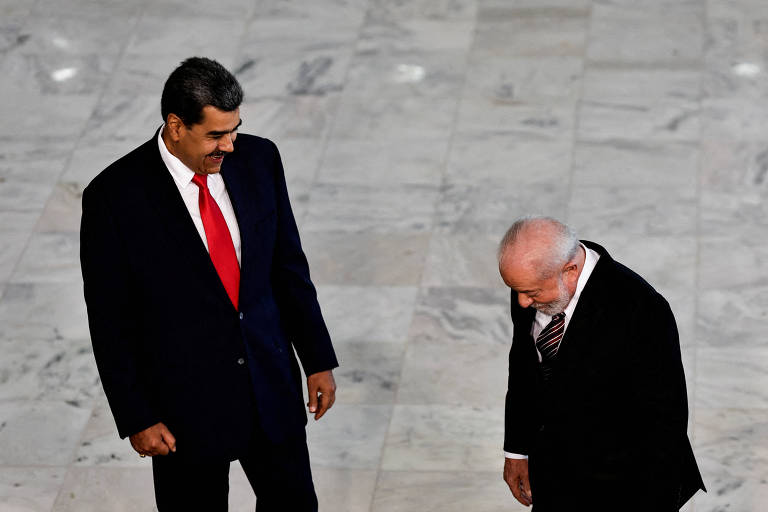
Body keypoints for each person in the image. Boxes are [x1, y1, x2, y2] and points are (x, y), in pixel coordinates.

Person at [80, 57, 338, 511]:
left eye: (234, 129)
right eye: (216, 135)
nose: (230, 145)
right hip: (186, 410)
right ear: (176, 126)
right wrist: (138, 416)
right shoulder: (114, 199)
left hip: (270, 388)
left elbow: (288, 267)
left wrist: (316, 358)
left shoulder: (261, 159)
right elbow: (110, 322)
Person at [497, 216, 704, 511]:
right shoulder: (531, 282)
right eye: (517, 290)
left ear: (570, 270)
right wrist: (517, 450)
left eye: (531, 293)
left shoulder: (641, 310)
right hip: (554, 475)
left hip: (621, 486)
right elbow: (523, 368)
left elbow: (664, 423)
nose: (522, 302)